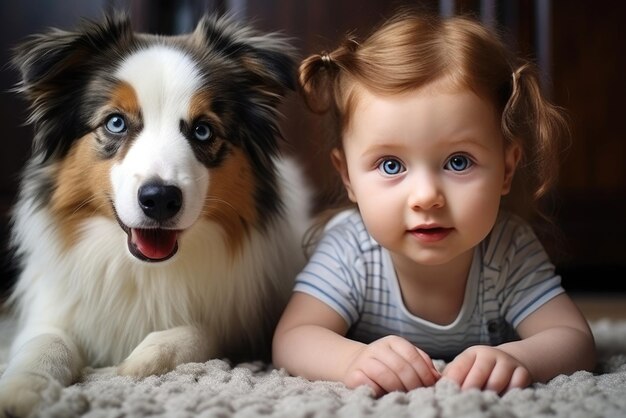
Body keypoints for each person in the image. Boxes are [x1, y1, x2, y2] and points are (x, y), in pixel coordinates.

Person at [272, 10, 596, 397]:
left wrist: (522, 358)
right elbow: (293, 337)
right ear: (348, 178)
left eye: (458, 162)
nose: (426, 196)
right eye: (391, 165)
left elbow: (573, 338)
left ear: (506, 169)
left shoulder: (506, 248)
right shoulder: (350, 248)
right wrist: (350, 360)